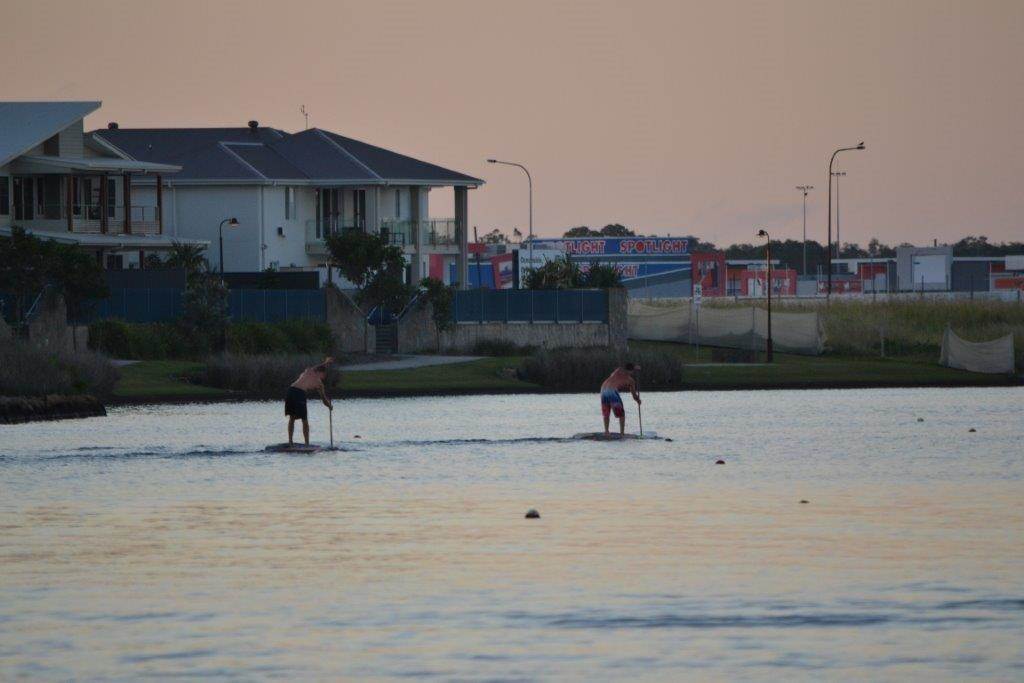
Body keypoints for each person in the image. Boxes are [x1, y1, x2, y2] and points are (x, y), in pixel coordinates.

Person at [285, 357, 334, 445]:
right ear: (320, 372)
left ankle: (303, 443)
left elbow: (323, 399)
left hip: (293, 392)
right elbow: (317, 367)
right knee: (297, 418)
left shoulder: (319, 385)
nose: (324, 377)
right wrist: (325, 362)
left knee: (298, 418)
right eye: (324, 374)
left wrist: (329, 406)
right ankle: (293, 442)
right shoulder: (309, 371)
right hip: (295, 391)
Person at [600, 363, 641, 435]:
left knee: (606, 413)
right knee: (621, 414)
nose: (633, 373)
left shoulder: (618, 371)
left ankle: (606, 431)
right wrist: (638, 400)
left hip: (603, 390)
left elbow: (634, 396)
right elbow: (634, 395)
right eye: (633, 371)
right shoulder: (629, 379)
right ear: (631, 371)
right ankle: (622, 433)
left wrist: (637, 400)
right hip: (612, 391)